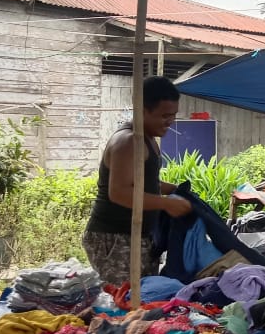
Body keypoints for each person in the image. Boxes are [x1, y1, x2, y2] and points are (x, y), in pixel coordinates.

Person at [82, 76, 192, 284]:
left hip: (139, 235)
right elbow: (120, 192)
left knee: (143, 296)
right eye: (164, 116)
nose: (170, 121)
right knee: (123, 299)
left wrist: (173, 190)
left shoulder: (148, 139)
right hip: (116, 237)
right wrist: (166, 203)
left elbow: (143, 183)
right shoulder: (128, 142)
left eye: (173, 115)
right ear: (142, 110)